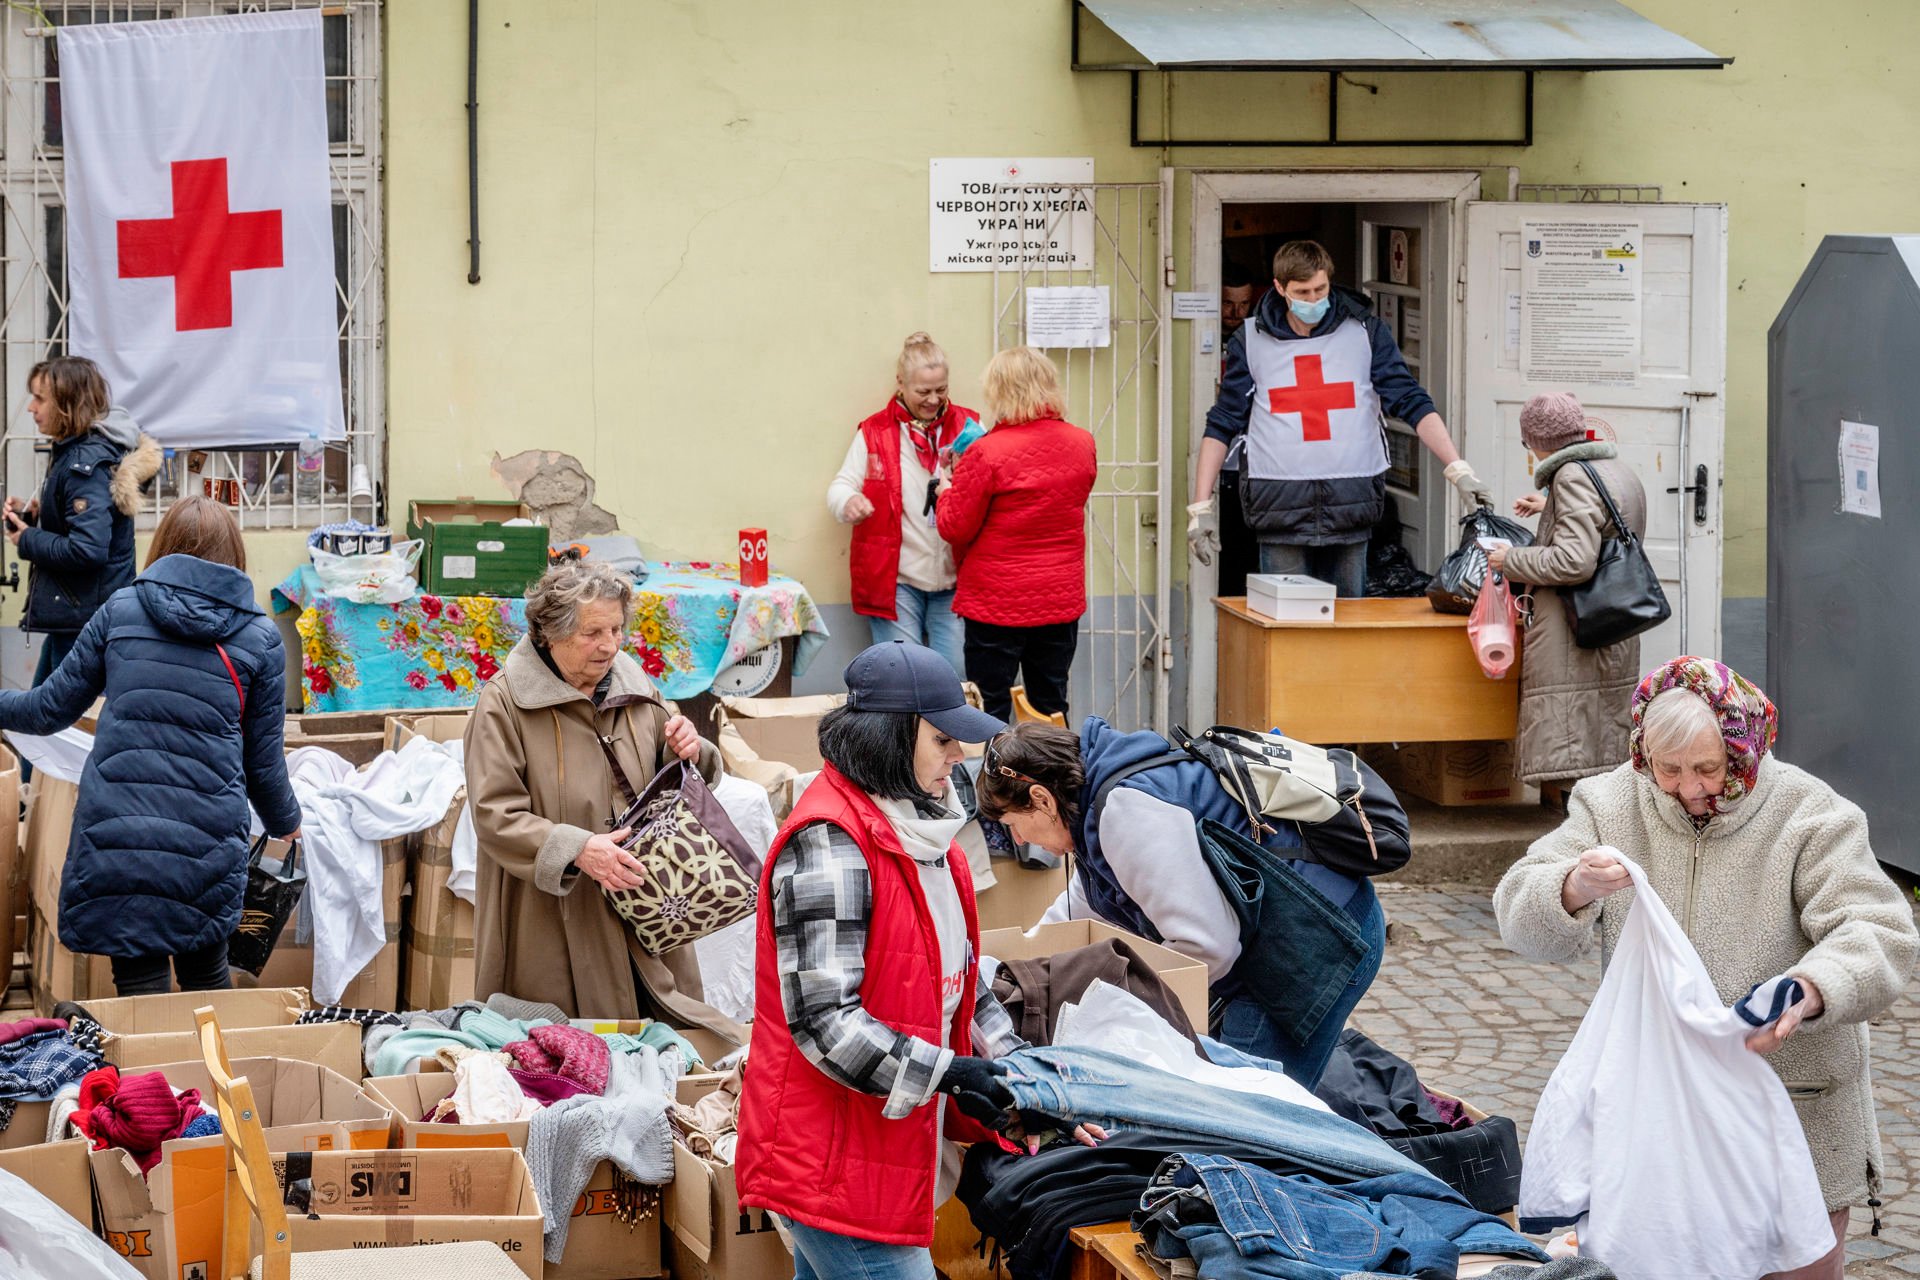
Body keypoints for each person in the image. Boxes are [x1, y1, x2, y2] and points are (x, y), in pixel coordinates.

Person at [1493, 658, 1919, 1280]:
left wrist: (1811, 989)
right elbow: (1517, 909)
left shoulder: (1810, 814)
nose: (1691, 787)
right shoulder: (1610, 803)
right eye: (1669, 769)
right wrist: (1572, 885)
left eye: (1709, 768)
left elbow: (1879, 931)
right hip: (1662, 1113)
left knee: (1796, 1264)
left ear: (1745, 748)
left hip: (1796, 1107)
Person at [737, 641, 1100, 1279]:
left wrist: (1025, 1082)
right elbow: (825, 1023)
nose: (958, 756)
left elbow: (963, 989)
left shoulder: (930, 840)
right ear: (889, 738)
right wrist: (953, 1074)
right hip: (832, 1161)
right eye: (942, 740)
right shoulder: (831, 845)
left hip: (885, 1151)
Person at [974, 716, 1386, 1089]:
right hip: (1286, 936)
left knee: (1247, 1107)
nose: (1021, 841)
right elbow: (1081, 910)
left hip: (1322, 940)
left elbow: (1209, 946)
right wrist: (1003, 966)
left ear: (1042, 799)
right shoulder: (1092, 805)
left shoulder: (1125, 813)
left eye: (1013, 824)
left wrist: (1119, 1004)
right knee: (1235, 1083)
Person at [0, 497, 301, 996]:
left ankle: (148, 1076)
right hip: (205, 847)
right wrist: (287, 824)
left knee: (141, 995)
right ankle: (212, 1076)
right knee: (207, 981)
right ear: (236, 556)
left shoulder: (121, 611)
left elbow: (46, 710)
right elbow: (263, 764)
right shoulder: (261, 640)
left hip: (119, 843)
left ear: (161, 548)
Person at [464, 559, 740, 1033]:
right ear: (551, 632)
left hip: (647, 905)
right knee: (564, 1053)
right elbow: (495, 814)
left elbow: (673, 777)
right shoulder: (504, 704)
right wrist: (578, 849)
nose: (610, 645)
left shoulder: (634, 684)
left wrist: (692, 751)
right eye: (593, 632)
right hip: (555, 916)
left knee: (669, 1045)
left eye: (616, 629)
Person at [1188, 239, 1492, 598]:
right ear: (1279, 288)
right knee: (1287, 634)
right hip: (1279, 510)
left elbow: (1410, 400)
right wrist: (1201, 506)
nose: (1314, 300)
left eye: (1321, 289)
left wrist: (1457, 469)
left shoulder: (1365, 332)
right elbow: (1223, 422)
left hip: (1351, 506)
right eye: (1303, 292)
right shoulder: (1250, 341)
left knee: (1346, 631)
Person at [1486, 393, 1648, 789]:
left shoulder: (1572, 476)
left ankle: (1574, 836)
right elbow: (1609, 523)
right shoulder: (1614, 468)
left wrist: (1511, 559)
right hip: (1612, 620)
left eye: (1527, 444)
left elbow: (1574, 562)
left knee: (1573, 743)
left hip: (1574, 629)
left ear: (1538, 441)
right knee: (1601, 736)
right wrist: (1549, 507)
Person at [935, 346, 1097, 723]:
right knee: (1051, 703)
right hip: (1058, 599)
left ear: (1001, 391)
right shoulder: (1082, 443)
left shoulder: (986, 452)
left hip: (996, 603)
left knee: (988, 708)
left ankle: (993, 781)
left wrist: (946, 491)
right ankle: (1055, 779)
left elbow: (955, 527)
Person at [827, 332, 978, 677]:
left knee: (953, 679)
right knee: (903, 679)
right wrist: (849, 502)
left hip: (955, 579)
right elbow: (840, 486)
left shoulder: (968, 426)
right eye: (923, 391)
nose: (933, 400)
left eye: (941, 390)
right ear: (901, 383)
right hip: (896, 580)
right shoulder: (875, 432)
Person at [4, 356, 160, 687]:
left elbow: (88, 549)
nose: (31, 407)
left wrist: (28, 538)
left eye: (39, 398)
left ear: (67, 404)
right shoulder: (76, 452)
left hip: (83, 622)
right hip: (78, 617)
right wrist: (34, 516)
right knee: (41, 717)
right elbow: (81, 523)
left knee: (55, 725)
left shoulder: (83, 463)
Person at [1218, 263, 1256, 339]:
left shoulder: (1257, 335)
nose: (1236, 313)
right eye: (1228, 303)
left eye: (1244, 303)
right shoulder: (1198, 330)